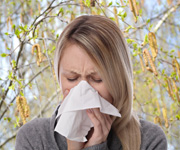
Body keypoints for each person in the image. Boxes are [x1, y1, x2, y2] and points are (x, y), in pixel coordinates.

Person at [15, 15, 167, 150]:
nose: (83, 90)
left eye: (97, 79)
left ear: (119, 80)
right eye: (72, 78)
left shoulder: (149, 140)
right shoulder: (33, 138)